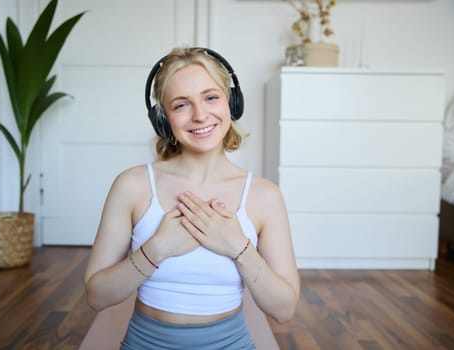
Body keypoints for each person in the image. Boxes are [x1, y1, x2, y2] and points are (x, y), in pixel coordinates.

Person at [84, 47, 300, 349]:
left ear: (231, 103)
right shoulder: (132, 186)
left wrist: (237, 247)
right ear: (162, 119)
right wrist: (156, 249)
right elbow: (96, 296)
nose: (200, 115)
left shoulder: (265, 196)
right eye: (181, 104)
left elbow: (284, 309)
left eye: (211, 97)